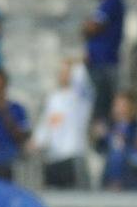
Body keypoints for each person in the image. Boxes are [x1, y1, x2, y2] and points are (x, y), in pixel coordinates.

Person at [29, 60, 93, 190]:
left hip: (73, 156)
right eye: (62, 71)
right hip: (53, 158)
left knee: (75, 201)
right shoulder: (54, 98)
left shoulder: (81, 98)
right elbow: (47, 123)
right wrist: (37, 141)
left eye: (67, 72)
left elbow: (83, 80)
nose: (63, 75)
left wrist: (75, 63)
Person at [83, 0, 125, 130]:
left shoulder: (112, 1)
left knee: (104, 105)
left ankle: (104, 139)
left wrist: (87, 27)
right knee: (97, 102)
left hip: (105, 62)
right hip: (97, 62)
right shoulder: (102, 3)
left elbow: (93, 27)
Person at [99, 91, 137, 191]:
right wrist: (99, 137)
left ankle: (117, 184)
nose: (116, 108)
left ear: (131, 107)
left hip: (130, 168)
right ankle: (112, 184)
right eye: (115, 105)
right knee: (115, 154)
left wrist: (125, 140)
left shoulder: (136, 126)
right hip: (110, 170)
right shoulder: (110, 126)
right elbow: (101, 148)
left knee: (118, 154)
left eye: (121, 105)